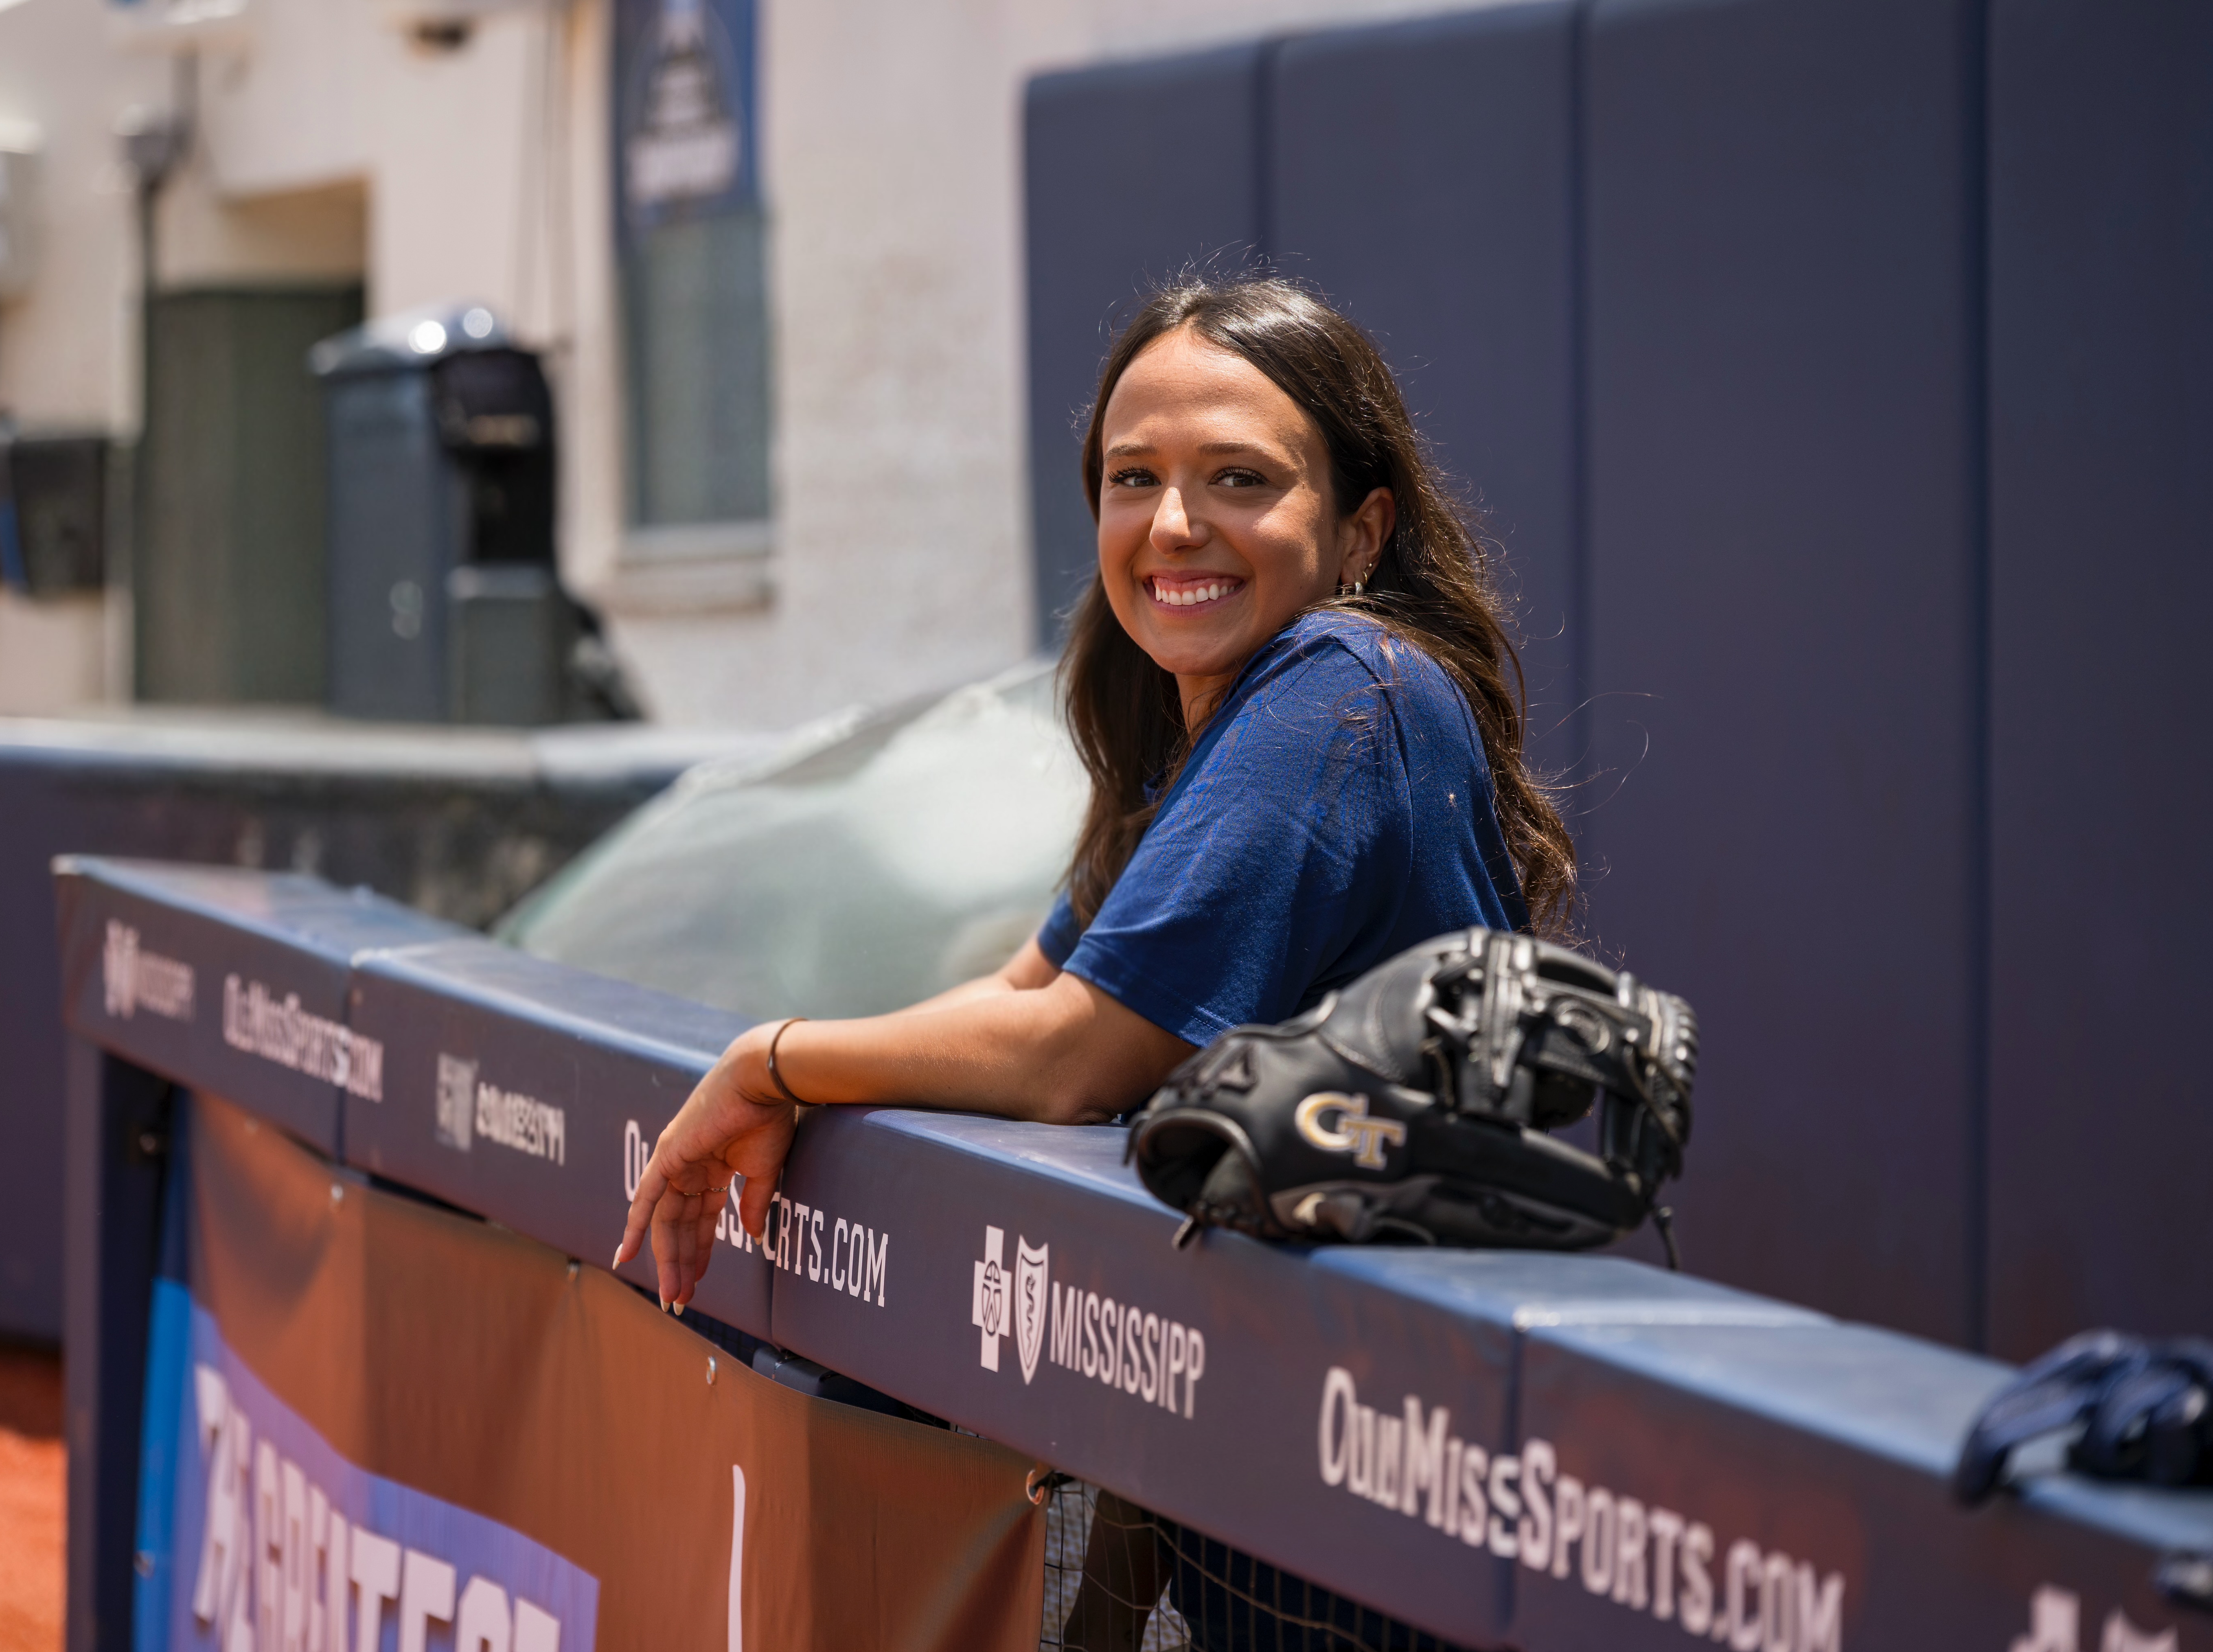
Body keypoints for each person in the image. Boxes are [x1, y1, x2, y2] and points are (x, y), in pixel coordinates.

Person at [615, 274, 1575, 1308]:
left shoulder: (1341, 686)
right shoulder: (1216, 722)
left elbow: (1072, 1055)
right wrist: (819, 1083)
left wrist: (773, 1062)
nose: (1172, 524)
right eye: (1134, 476)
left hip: (1393, 1394)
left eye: (1240, 478)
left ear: (1361, 531)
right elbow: (1020, 994)